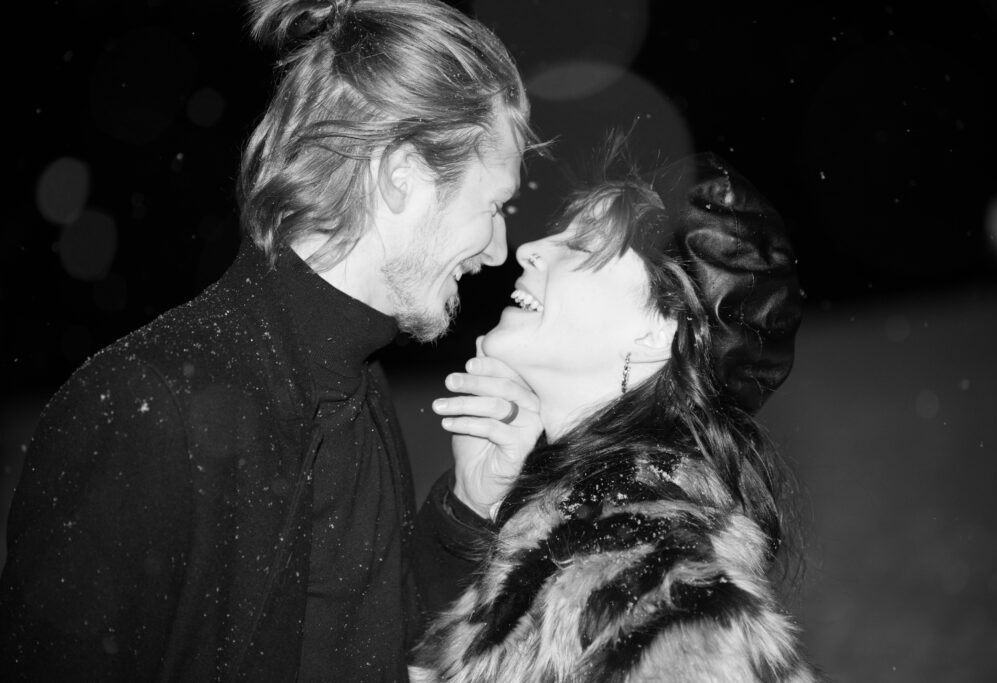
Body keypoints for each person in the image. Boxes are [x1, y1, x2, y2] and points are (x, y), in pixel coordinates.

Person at [0, 0, 543, 679]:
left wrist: (467, 506)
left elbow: (380, 649)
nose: (497, 251)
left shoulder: (357, 387)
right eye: (491, 205)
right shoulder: (145, 403)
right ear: (400, 174)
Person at [411, 139, 820, 681]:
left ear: (660, 331)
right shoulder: (562, 532)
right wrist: (468, 509)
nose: (530, 249)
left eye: (580, 245)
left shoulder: (660, 594)